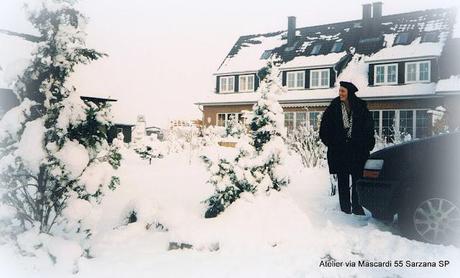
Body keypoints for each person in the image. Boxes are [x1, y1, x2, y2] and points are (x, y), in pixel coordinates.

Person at [319, 81, 375, 215]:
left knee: (357, 179)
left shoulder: (361, 107)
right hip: (340, 151)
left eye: (343, 91)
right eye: (339, 91)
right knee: (343, 180)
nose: (340, 94)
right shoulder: (333, 108)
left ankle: (357, 207)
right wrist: (332, 143)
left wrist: (367, 143)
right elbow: (324, 129)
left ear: (349, 92)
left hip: (357, 151)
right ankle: (345, 209)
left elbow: (369, 128)